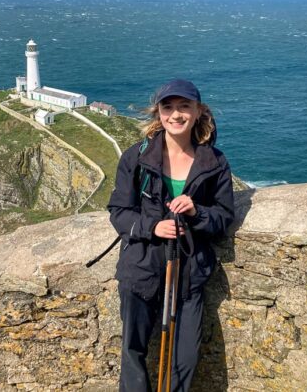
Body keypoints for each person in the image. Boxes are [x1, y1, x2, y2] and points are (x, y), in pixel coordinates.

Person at [107, 79, 235, 392]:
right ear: (158, 112)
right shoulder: (136, 158)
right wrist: (152, 227)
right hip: (141, 269)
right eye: (168, 107)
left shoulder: (214, 162)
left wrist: (197, 212)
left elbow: (224, 216)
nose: (175, 115)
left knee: (185, 358)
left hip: (188, 274)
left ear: (198, 111)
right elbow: (118, 211)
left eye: (184, 106)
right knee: (133, 351)